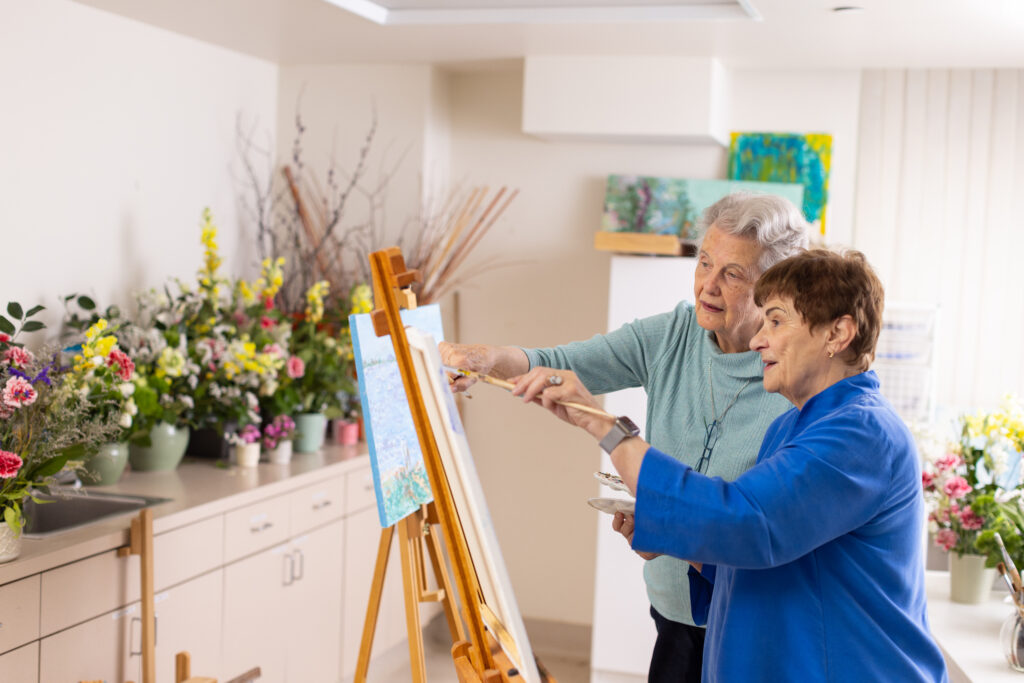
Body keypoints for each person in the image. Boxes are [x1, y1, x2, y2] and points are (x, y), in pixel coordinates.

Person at [511, 249, 948, 682]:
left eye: (775, 321)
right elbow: (755, 558)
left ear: (838, 334)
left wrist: (606, 426)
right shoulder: (791, 428)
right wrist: (678, 537)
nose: (759, 339)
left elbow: (746, 521)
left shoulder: (861, 435)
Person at [441, 192, 809, 681]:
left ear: (774, 288)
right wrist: (489, 360)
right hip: (672, 610)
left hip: (751, 624)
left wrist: (678, 531)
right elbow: (562, 362)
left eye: (733, 273)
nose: (709, 284)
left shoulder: (794, 376)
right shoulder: (673, 334)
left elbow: (765, 525)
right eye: (703, 262)